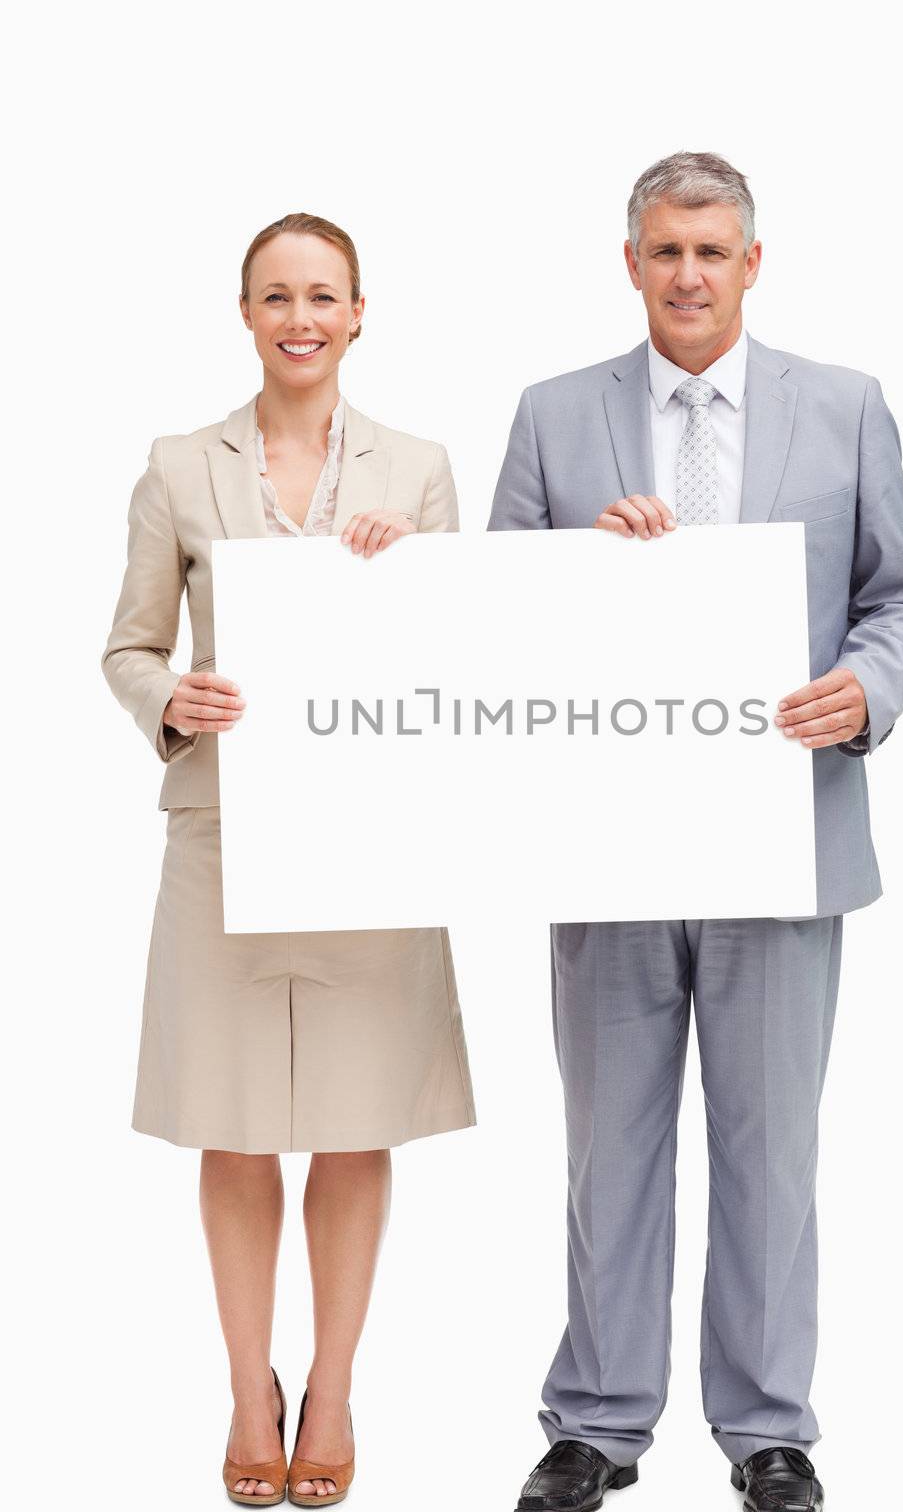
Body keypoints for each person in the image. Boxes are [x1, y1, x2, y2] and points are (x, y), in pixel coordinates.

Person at [489, 152, 903, 1512]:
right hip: (610, 844)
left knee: (769, 1146)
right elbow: (493, 611)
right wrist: (581, 571)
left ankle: (767, 1431)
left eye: (714, 251)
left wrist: (867, 688)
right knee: (606, 1145)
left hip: (783, 839)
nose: (690, 273)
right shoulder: (555, 415)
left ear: (754, 263)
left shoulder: (846, 407)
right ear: (629, 262)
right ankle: (597, 1422)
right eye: (667, 250)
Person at [103, 213, 475, 1507]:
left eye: (323, 295)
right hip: (228, 833)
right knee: (238, 1124)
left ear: (361, 312)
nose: (300, 316)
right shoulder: (175, 465)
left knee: (358, 1122)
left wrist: (413, 568)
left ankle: (333, 1386)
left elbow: (461, 654)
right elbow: (128, 645)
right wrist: (174, 699)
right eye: (277, 295)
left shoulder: (419, 469)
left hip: (375, 834)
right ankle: (247, 1383)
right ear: (247, 313)